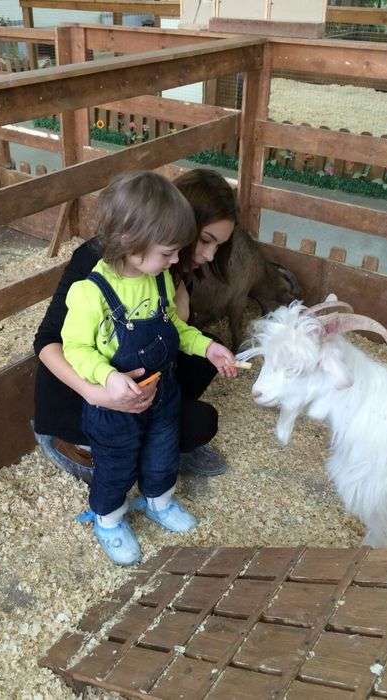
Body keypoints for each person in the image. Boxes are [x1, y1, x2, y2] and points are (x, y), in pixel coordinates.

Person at [61, 171, 236, 565]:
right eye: (168, 252)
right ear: (131, 242)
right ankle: (109, 520)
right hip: (113, 407)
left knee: (162, 454)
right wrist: (107, 377)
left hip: (160, 396)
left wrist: (207, 347)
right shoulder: (91, 292)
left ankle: (159, 502)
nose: (177, 260)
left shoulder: (158, 282)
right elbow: (74, 349)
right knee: (116, 465)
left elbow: (173, 326)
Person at [33, 167, 237, 483]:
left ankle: (155, 433)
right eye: (206, 240)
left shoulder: (165, 267)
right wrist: (96, 393)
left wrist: (180, 288)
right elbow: (46, 342)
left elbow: (174, 326)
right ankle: (73, 443)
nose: (210, 256)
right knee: (199, 423)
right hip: (83, 392)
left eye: (219, 247)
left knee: (205, 350)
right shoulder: (96, 262)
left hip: (132, 378)